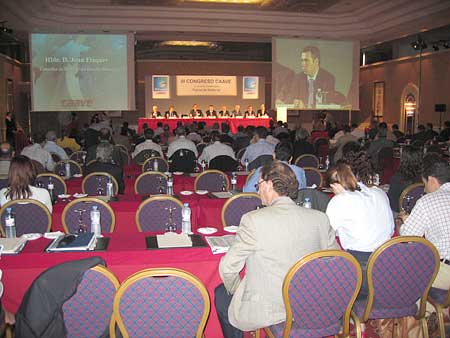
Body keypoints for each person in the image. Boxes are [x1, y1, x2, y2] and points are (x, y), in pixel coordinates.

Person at [215, 160, 338, 336]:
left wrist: (238, 290)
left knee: (222, 294)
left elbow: (227, 268)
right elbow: (336, 262)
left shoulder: (252, 220)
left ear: (270, 184)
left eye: (258, 185)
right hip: (311, 302)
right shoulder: (320, 218)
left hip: (271, 308)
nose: (257, 190)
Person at [326, 162, 394, 299]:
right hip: (388, 267)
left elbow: (326, 234)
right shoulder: (379, 192)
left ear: (334, 186)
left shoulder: (340, 201)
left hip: (360, 272)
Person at [399, 153, 450, 292]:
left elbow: (408, 238)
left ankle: (418, 309)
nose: (425, 189)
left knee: (400, 268)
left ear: (432, 180)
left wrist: (406, 222)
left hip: (444, 271)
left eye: (425, 183)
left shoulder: (427, 201)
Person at [387, 146, 422, 213]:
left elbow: (392, 204)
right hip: (418, 212)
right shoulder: (424, 177)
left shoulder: (397, 178)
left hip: (400, 213)